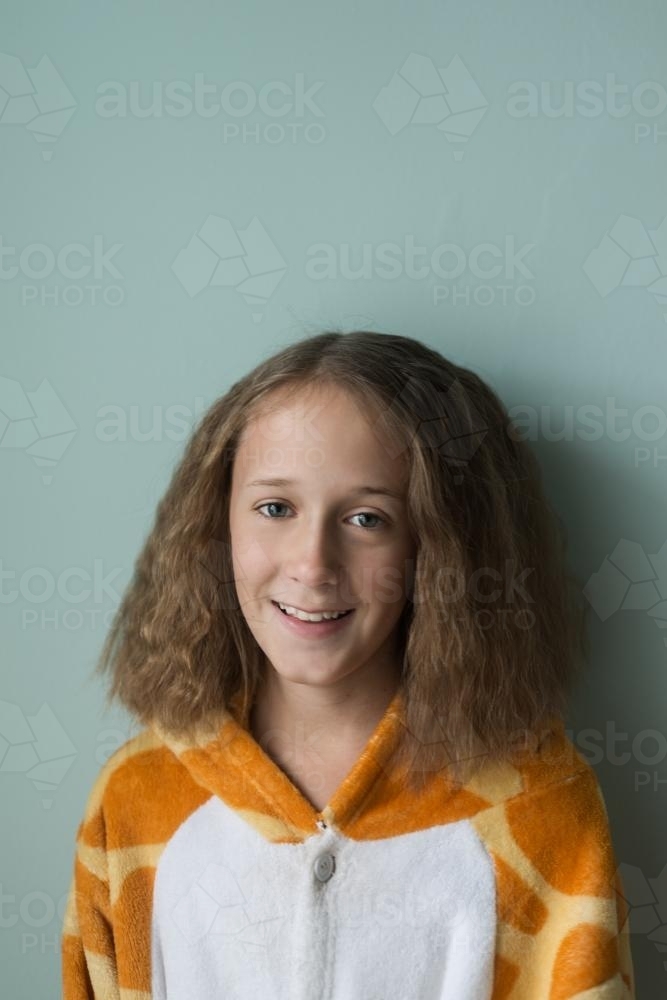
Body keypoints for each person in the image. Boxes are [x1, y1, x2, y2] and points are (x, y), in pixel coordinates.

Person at [61, 330, 635, 999]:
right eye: (275, 508)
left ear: (441, 549)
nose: (311, 565)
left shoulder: (541, 805)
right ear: (217, 525)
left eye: (367, 519)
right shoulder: (137, 797)